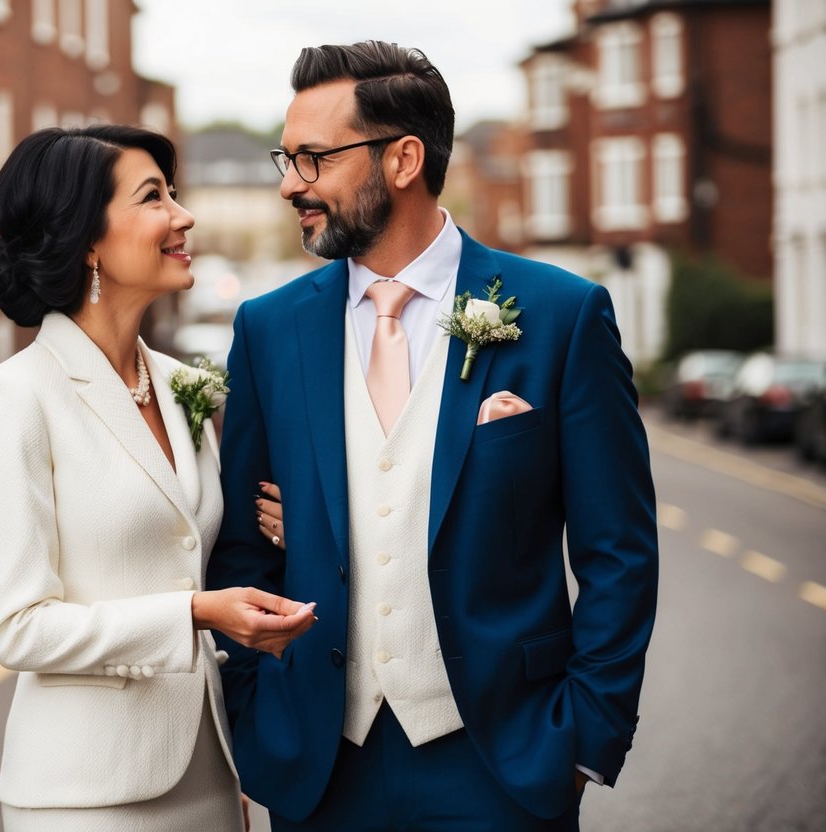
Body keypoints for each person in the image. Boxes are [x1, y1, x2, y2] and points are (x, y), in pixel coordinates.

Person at [207, 41, 659, 830]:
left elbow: (617, 549)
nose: (289, 185)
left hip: (503, 761)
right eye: (287, 158)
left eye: (312, 159)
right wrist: (258, 715)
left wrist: (585, 741)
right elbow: (245, 546)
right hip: (318, 767)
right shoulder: (267, 330)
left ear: (403, 158)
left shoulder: (559, 314)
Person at [0, 124, 317, 832]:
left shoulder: (190, 387)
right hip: (86, 798)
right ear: (86, 239)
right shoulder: (14, 399)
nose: (183, 216)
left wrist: (293, 519)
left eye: (175, 194)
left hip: (210, 775)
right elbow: (17, 629)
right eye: (153, 197)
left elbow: (209, 537)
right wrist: (194, 613)